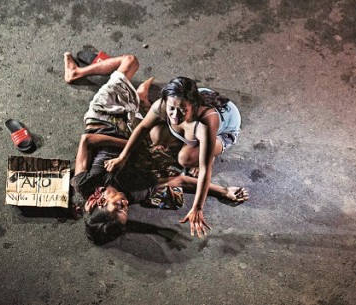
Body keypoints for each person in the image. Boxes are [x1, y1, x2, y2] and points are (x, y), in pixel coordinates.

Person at [63, 53, 248, 243]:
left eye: (119, 206)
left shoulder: (85, 184)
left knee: (130, 61)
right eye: (126, 210)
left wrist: (127, 152)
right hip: (134, 129)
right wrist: (223, 191)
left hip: (104, 121)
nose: (126, 204)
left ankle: (76, 73)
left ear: (101, 202)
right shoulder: (136, 192)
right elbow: (180, 180)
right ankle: (142, 101)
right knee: (172, 147)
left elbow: (87, 140)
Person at [103, 75, 244, 237]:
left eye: (182, 110)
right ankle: (146, 102)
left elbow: (205, 170)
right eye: (171, 108)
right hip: (195, 105)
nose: (175, 114)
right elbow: (142, 128)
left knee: (186, 158)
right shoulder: (164, 105)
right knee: (155, 134)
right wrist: (122, 157)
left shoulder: (206, 122)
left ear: (193, 105)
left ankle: (204, 149)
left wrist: (198, 207)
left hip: (224, 131)